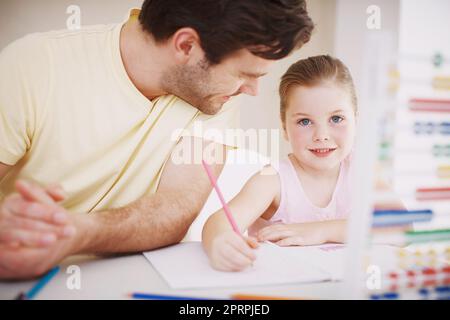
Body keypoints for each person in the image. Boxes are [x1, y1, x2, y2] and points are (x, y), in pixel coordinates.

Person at [0, 0, 314, 279]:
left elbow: (176, 208)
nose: (252, 90)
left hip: (121, 280)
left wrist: (77, 233)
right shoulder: (35, 65)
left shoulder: (216, 96)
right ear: (187, 45)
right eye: (246, 74)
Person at [202, 55, 359, 272]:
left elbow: (402, 228)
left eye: (336, 119)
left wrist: (319, 231)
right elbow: (219, 223)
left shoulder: (361, 169)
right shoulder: (272, 180)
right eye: (305, 121)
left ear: (356, 119)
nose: (322, 135)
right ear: (284, 127)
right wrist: (220, 242)